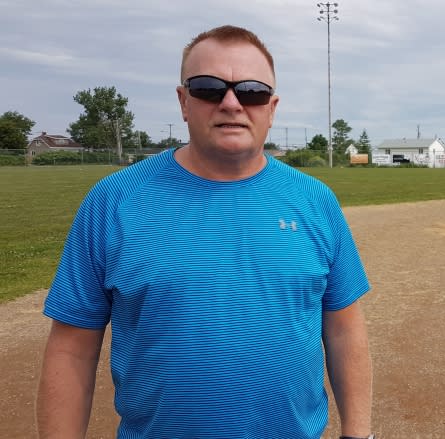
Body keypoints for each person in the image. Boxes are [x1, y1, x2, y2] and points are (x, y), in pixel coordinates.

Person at [37, 25, 373, 439]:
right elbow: (72, 346)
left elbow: (343, 326)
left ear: (272, 107)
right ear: (183, 101)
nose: (231, 103)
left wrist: (359, 434)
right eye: (209, 88)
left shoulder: (315, 200)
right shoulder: (114, 201)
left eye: (251, 91)